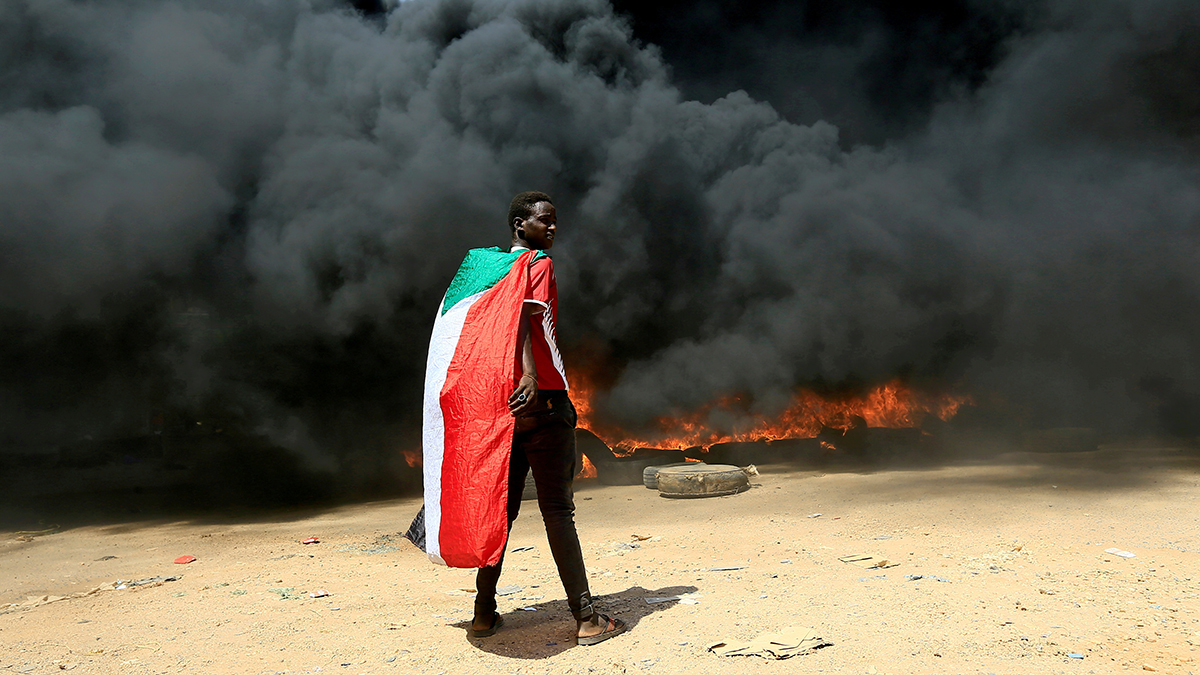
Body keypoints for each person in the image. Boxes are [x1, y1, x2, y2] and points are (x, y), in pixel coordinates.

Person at [410, 191, 625, 646]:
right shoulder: (536, 265)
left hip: (502, 410)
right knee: (558, 513)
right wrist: (530, 372)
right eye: (544, 220)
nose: (552, 228)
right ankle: (586, 618)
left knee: (499, 513)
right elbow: (528, 316)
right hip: (543, 402)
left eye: (554, 220)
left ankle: (484, 614)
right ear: (518, 223)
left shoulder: (480, 270)